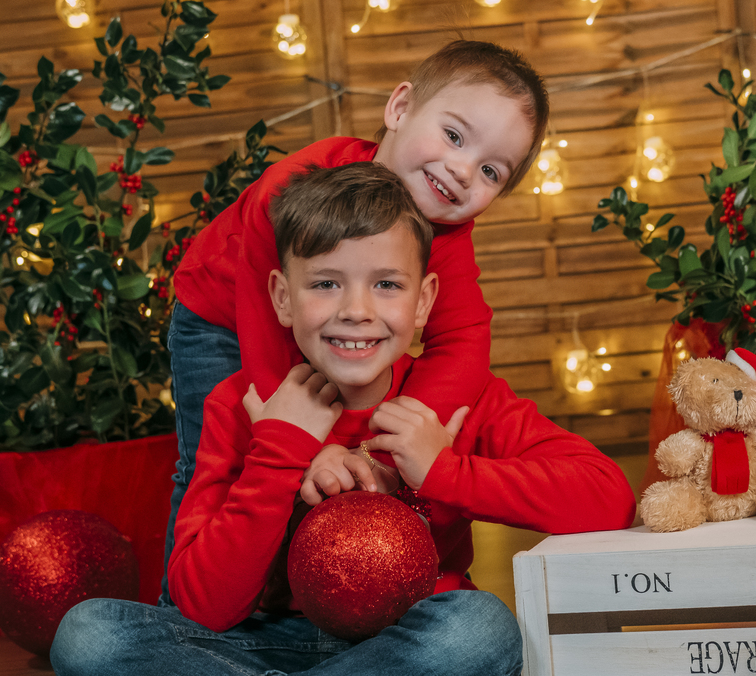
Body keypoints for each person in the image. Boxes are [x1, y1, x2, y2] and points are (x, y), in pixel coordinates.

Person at [50, 162, 636, 676]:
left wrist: (441, 470)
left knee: (480, 627)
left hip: (406, 645)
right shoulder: (243, 404)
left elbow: (608, 497)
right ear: (282, 297)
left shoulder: (460, 404)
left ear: (425, 300)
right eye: (326, 284)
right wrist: (281, 450)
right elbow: (203, 604)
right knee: (89, 633)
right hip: (254, 644)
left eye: (386, 285)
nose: (356, 312)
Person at [161, 40, 550, 592]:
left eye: (491, 171)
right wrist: (308, 445)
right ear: (399, 109)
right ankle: (185, 612)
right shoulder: (289, 192)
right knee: (213, 462)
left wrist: (401, 436)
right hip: (225, 316)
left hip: (327, 322)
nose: (462, 170)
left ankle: (328, 596)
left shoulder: (447, 231)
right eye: (454, 136)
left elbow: (462, 337)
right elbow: (264, 342)